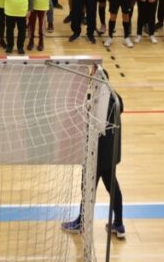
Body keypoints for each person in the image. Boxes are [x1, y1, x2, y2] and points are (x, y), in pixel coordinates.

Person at [62, 88, 125, 239]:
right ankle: (119, 224)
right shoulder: (116, 99)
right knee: (112, 187)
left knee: (87, 188)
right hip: (111, 154)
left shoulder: (99, 104)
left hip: (97, 155)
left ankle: (81, 223)